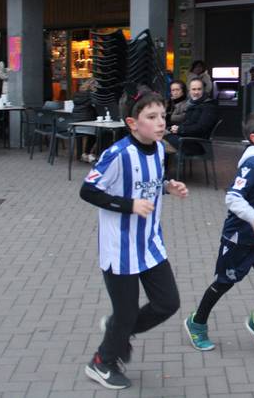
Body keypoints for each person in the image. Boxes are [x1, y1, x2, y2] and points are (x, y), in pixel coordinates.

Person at [80, 86, 187, 390]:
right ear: (132, 123)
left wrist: (167, 187)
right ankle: (101, 362)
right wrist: (129, 205)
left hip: (150, 244)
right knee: (126, 313)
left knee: (168, 303)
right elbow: (88, 191)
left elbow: (148, 184)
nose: (160, 122)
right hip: (120, 248)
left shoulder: (159, 148)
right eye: (151, 117)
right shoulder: (117, 154)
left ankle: (118, 327)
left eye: (162, 116)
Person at [184, 109, 254, 354]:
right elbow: (233, 198)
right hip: (239, 236)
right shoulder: (252, 164)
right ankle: (197, 321)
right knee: (224, 282)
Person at [166, 78, 218, 155]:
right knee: (161, 136)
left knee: (159, 141)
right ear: (189, 91)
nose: (196, 92)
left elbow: (201, 128)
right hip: (188, 139)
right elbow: (188, 123)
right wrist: (175, 128)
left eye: (199, 89)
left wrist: (180, 129)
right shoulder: (194, 104)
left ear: (203, 90)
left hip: (197, 144)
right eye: (193, 89)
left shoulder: (208, 106)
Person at [72, 79, 99, 163]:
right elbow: (97, 105)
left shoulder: (77, 94)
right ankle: (92, 154)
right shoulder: (91, 95)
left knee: (95, 131)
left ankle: (85, 154)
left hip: (76, 124)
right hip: (86, 122)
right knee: (100, 132)